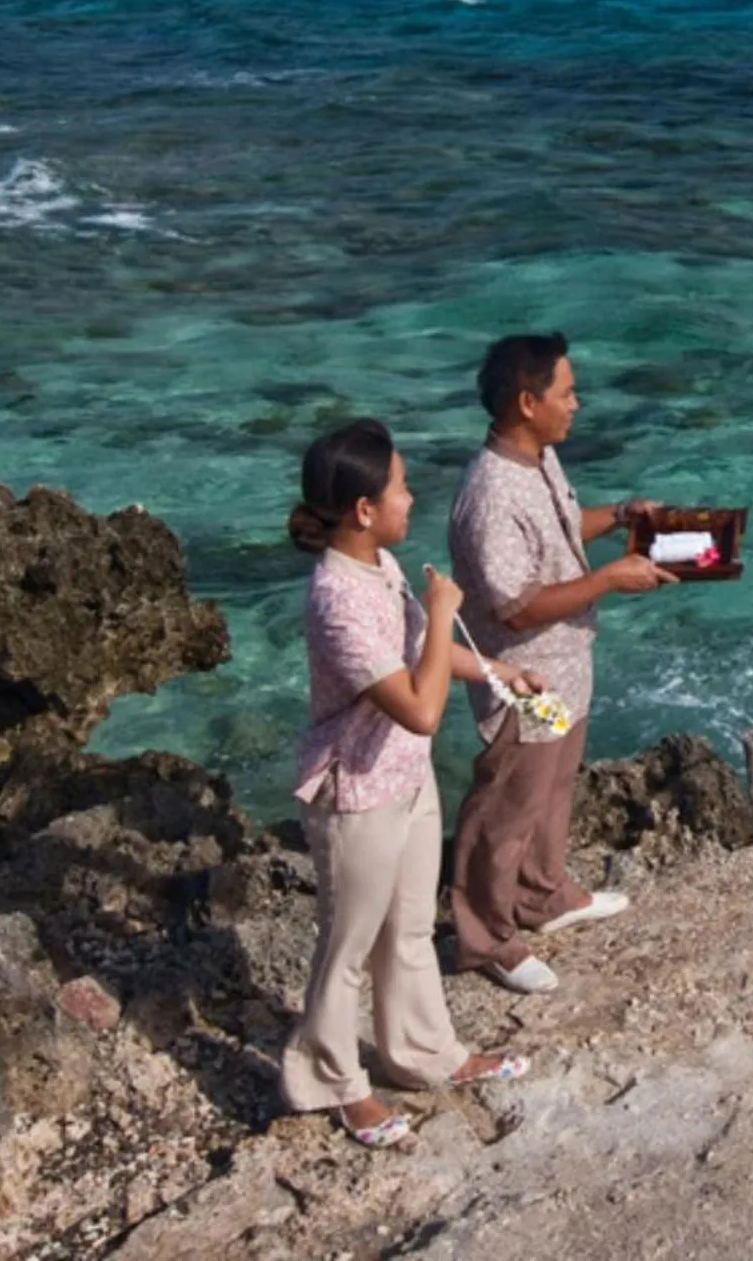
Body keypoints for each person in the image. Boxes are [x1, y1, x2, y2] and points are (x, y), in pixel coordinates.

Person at [281, 418, 538, 1150]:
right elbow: (420, 710)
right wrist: (448, 611)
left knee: (411, 930)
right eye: (399, 487)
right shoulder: (337, 600)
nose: (411, 497)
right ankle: (332, 1080)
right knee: (348, 945)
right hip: (356, 793)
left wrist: (496, 670)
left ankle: (424, 1054)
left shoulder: (378, 565)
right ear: (363, 510)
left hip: (405, 778)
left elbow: (419, 655)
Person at [447, 332, 676, 996]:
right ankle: (486, 938)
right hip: (526, 678)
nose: (577, 403)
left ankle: (543, 897)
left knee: (552, 789)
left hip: (565, 667)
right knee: (506, 807)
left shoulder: (537, 460)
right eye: (566, 392)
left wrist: (621, 517)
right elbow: (514, 608)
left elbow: (558, 531)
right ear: (527, 402)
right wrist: (608, 581)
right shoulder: (490, 494)